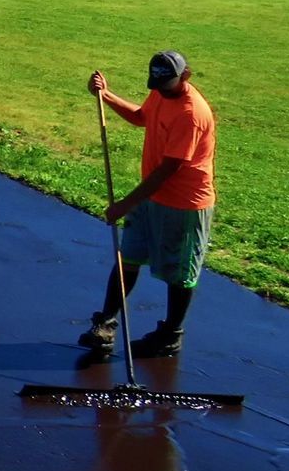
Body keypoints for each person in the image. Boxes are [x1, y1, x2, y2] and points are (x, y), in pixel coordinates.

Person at [79, 50, 218, 358]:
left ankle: (171, 335)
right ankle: (105, 325)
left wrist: (125, 204)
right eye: (156, 83)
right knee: (127, 257)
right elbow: (142, 117)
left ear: (185, 76)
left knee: (180, 273)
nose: (159, 89)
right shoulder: (161, 93)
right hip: (151, 196)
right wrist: (106, 96)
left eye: (166, 83)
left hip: (184, 204)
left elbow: (171, 169)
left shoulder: (191, 113)